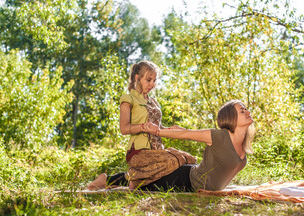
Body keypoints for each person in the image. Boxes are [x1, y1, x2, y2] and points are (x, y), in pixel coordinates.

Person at [87, 99, 255, 192]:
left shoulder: (243, 146)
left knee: (145, 179)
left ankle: (110, 180)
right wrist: (158, 132)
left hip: (194, 176)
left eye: (246, 109)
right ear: (231, 118)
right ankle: (107, 179)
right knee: (145, 179)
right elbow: (186, 134)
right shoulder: (219, 136)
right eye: (242, 111)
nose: (248, 112)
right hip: (185, 180)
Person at [87, 60, 196, 191]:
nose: (152, 84)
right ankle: (112, 180)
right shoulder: (128, 99)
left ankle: (132, 181)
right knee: (174, 160)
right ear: (137, 78)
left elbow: (157, 127)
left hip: (156, 151)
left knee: (190, 159)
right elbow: (124, 128)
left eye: (154, 80)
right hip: (139, 152)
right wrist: (143, 127)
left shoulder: (153, 101)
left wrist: (170, 129)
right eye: (149, 80)